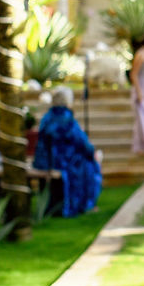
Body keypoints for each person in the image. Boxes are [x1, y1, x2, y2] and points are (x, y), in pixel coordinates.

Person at [33, 86, 102, 216]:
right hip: (64, 162)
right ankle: (84, 204)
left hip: (45, 161)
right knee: (90, 165)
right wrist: (92, 153)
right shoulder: (67, 118)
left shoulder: (47, 117)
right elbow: (82, 142)